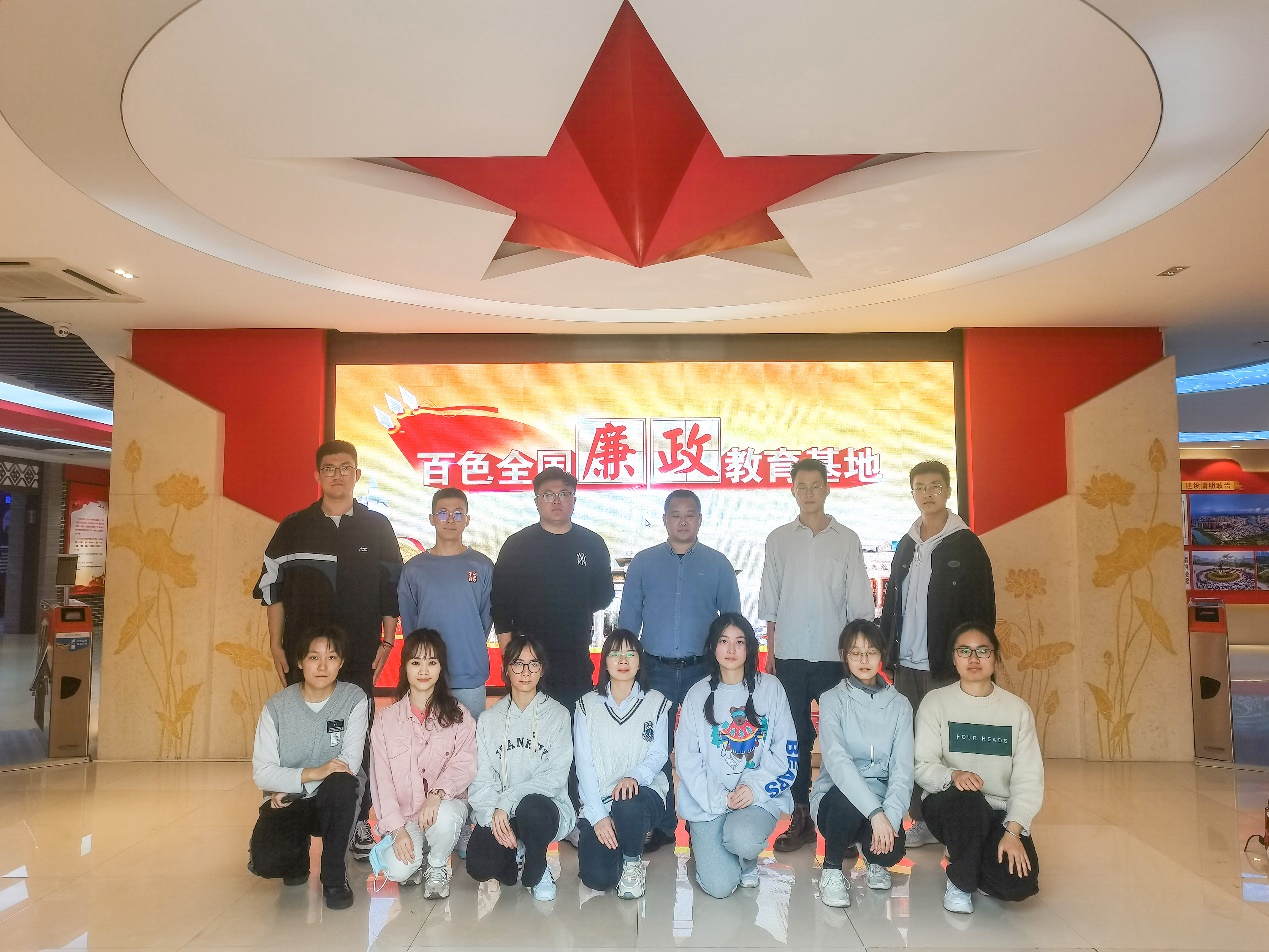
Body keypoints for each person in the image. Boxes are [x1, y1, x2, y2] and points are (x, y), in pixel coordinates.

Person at [253, 439, 403, 860]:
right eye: (330, 468)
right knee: (297, 736)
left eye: (346, 467)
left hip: (357, 653)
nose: (338, 475)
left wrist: (388, 639)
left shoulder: (377, 527)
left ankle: (358, 820)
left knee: (358, 735)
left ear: (357, 475)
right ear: (317, 475)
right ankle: (292, 818)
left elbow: (391, 589)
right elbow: (272, 589)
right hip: (304, 655)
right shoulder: (293, 527)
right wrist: (275, 644)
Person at [757, 458, 874, 852]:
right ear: (792, 490)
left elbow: (859, 605)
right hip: (789, 655)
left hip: (833, 656)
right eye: (801, 487)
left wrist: (857, 657)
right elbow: (770, 600)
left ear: (827, 488)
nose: (808, 493)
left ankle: (847, 817)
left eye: (815, 486)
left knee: (840, 738)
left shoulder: (847, 539)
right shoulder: (778, 539)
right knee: (795, 738)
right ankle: (801, 815)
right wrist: (770, 652)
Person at [617, 489, 741, 852]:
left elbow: (732, 623)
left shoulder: (718, 565)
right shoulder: (643, 564)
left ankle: (706, 818)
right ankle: (663, 823)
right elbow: (628, 623)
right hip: (654, 668)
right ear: (665, 520)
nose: (682, 521)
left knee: (706, 747)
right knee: (655, 747)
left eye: (690, 515)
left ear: (700, 520)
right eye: (675, 514)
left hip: (703, 670)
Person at [881, 460, 995, 847]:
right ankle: (922, 819)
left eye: (935, 486)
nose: (927, 494)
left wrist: (976, 660)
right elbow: (891, 603)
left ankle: (954, 822)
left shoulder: (966, 544)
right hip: (906, 665)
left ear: (947, 490)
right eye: (920, 487)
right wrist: (887, 650)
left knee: (949, 745)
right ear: (912, 493)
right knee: (912, 745)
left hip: (945, 666)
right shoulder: (907, 543)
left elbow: (982, 610)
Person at [914, 623, 1043, 914]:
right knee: (968, 801)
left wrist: (1013, 831)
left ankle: (969, 855)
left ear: (995, 657)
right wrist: (953, 775)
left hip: (997, 813)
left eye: (983, 651)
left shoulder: (1017, 710)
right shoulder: (936, 703)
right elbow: (922, 765)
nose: (974, 658)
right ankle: (960, 881)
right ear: (954, 658)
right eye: (964, 651)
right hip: (950, 804)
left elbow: (1029, 779)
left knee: (1018, 885)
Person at [675, 613, 798, 899]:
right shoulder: (696, 694)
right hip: (709, 801)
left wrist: (753, 789)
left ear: (750, 647)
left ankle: (745, 857)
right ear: (713, 646)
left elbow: (786, 752)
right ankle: (712, 853)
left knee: (742, 839)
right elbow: (687, 760)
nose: (731, 650)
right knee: (719, 887)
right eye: (724, 641)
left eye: (739, 642)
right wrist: (721, 798)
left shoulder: (771, 688)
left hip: (755, 800)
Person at [248, 625, 368, 910]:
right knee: (269, 861)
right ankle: (296, 860)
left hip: (324, 798)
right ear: (300, 662)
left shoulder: (354, 699)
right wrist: (312, 774)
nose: (323, 666)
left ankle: (334, 877)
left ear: (341, 662)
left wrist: (293, 785)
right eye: (314, 657)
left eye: (332, 657)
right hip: (290, 802)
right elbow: (262, 773)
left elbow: (349, 764)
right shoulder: (277, 707)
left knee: (342, 784)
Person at [491, 466, 615, 717]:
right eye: (548, 494)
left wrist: (571, 607)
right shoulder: (517, 545)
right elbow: (501, 608)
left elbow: (604, 595)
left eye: (564, 494)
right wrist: (510, 660)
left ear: (574, 500)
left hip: (575, 656)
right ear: (536, 501)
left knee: (573, 726)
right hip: (528, 658)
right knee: (528, 729)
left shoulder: (592, 543)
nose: (557, 500)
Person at [810, 619, 913, 909]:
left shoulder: (900, 705)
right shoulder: (832, 700)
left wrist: (890, 818)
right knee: (846, 800)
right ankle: (831, 869)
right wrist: (875, 814)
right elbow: (838, 762)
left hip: (881, 800)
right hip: (837, 800)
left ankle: (872, 858)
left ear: (882, 655)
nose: (864, 660)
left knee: (889, 853)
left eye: (871, 652)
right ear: (844, 656)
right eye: (855, 653)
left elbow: (903, 770)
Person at [368, 628, 477, 899]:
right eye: (416, 662)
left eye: (432, 662)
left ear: (441, 667)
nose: (424, 670)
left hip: (443, 808)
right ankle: (418, 856)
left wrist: (437, 793)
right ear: (405, 667)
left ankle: (437, 864)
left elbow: (465, 764)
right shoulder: (385, 721)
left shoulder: (459, 715)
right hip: (406, 818)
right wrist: (397, 830)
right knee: (397, 871)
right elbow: (381, 783)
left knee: (445, 816)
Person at [466, 635, 575, 901]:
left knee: (532, 808)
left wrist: (508, 801)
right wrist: (493, 815)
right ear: (506, 669)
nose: (525, 672)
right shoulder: (489, 720)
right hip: (502, 813)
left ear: (542, 669)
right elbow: (481, 779)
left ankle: (539, 864)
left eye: (533, 664)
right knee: (479, 864)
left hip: (544, 811)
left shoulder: (558, 715)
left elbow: (554, 777)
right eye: (517, 664)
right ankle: (517, 851)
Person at [574, 629, 672, 899]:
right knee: (597, 878)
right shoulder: (586, 706)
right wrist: (598, 816)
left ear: (640, 662)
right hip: (600, 801)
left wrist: (634, 776)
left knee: (628, 802)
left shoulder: (656, 703)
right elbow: (584, 765)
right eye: (615, 653)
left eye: (630, 653)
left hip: (642, 795)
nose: (623, 660)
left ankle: (631, 861)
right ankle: (623, 839)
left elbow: (658, 755)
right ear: (604, 661)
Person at [398, 487, 494, 723]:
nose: (450, 519)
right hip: (426, 676)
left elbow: (485, 620)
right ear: (432, 519)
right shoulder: (413, 569)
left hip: (469, 673)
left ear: (467, 520)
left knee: (470, 741)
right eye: (443, 513)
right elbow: (411, 627)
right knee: (426, 741)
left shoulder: (482, 566)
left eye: (458, 514)